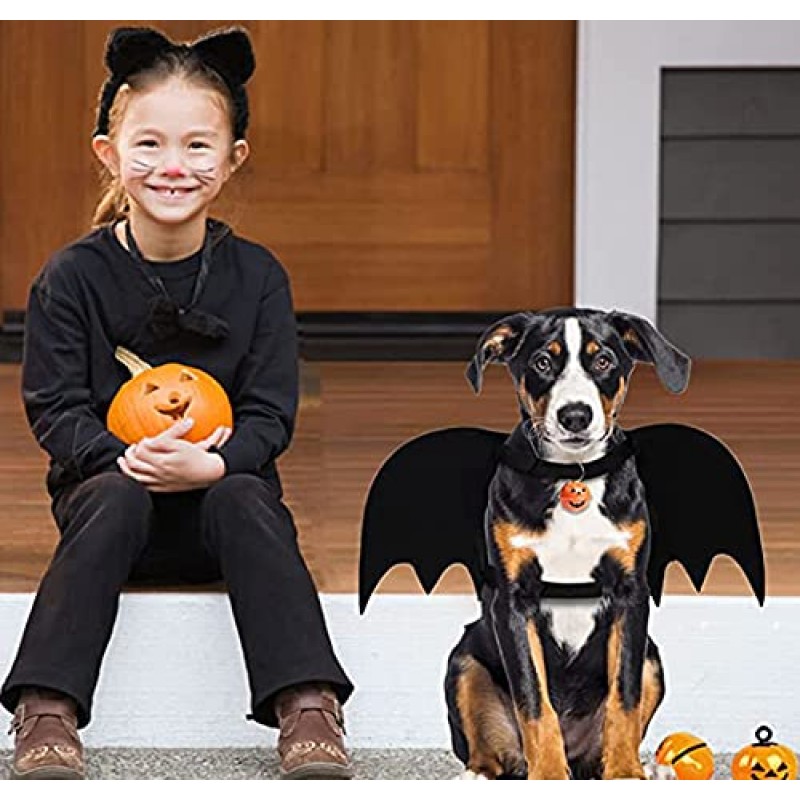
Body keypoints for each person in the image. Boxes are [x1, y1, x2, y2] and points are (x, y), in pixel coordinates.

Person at [1, 26, 354, 780]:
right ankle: (47, 706)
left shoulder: (258, 277)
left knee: (249, 501)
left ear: (233, 159)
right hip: (109, 498)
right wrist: (120, 456)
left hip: (221, 501)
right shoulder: (71, 278)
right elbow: (56, 409)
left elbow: (270, 415)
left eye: (199, 146)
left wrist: (216, 462)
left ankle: (308, 703)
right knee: (114, 502)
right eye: (150, 145)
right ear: (108, 153)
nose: (173, 166)